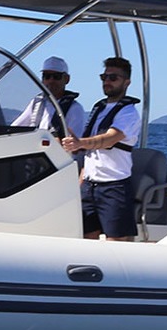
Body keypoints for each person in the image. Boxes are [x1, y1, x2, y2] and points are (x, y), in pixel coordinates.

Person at [59, 56, 143, 241]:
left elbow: (109, 139)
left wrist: (80, 143)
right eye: (104, 77)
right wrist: (81, 181)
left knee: (116, 241)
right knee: (86, 237)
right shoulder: (99, 109)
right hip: (89, 185)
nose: (107, 81)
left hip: (114, 186)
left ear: (127, 82)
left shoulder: (129, 113)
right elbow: (91, 152)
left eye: (113, 78)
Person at [12, 56, 87, 138]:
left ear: (67, 79)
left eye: (56, 76)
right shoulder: (36, 103)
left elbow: (74, 141)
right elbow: (15, 128)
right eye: (47, 76)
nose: (51, 81)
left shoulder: (75, 108)